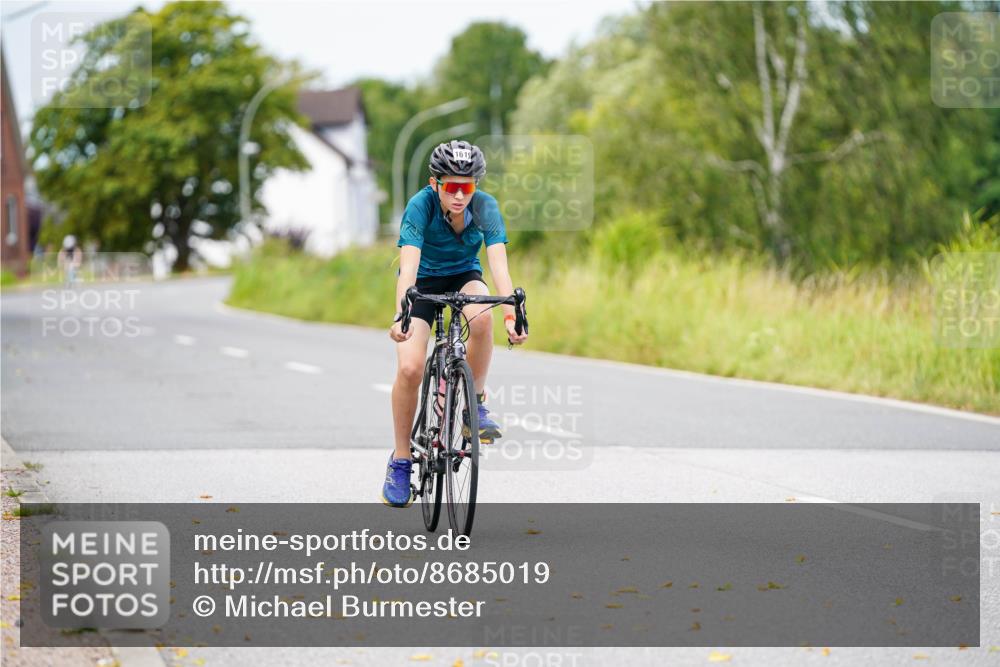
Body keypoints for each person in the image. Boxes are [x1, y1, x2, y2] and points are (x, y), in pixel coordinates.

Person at [382, 140, 528, 508]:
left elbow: (499, 265)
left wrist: (512, 313)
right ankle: (401, 460)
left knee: (482, 318)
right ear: (436, 184)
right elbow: (409, 268)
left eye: (468, 187)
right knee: (412, 367)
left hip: (464, 275)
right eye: (452, 187)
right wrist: (402, 310)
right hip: (424, 283)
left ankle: (474, 404)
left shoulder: (486, 208)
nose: (460, 195)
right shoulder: (420, 206)